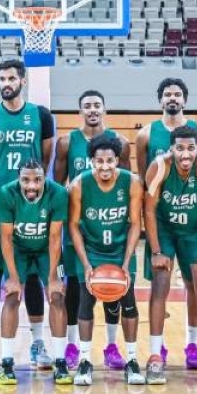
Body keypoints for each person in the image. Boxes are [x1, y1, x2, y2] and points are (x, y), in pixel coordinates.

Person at [0, 59, 55, 368]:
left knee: (31, 278)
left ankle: (37, 342)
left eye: (11, 78)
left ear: (23, 81)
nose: (6, 83)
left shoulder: (41, 115)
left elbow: (45, 158)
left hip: (30, 207)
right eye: (2, 78)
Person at [135, 77, 197, 369]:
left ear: (185, 100)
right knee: (160, 283)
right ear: (160, 100)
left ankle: (192, 344)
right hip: (162, 222)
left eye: (177, 94)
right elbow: (145, 181)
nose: (172, 98)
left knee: (195, 285)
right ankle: (158, 348)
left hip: (193, 223)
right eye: (167, 94)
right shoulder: (146, 135)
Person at [53, 89, 129, 371]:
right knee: (74, 287)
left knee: (112, 286)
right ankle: (73, 345)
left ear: (104, 109)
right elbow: (58, 186)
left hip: (110, 227)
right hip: (79, 227)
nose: (93, 109)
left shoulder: (120, 143)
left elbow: (127, 182)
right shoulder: (66, 143)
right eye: (87, 105)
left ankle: (111, 346)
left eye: (97, 105)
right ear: (80, 111)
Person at [143, 125, 197, 384]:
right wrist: (156, 251)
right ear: (171, 149)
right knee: (160, 283)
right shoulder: (159, 167)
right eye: (180, 148)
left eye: (191, 148)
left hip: (195, 230)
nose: (185, 154)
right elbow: (149, 209)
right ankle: (155, 355)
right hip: (165, 229)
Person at [68, 134, 145, 386]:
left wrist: (127, 262)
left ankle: (132, 360)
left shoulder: (132, 182)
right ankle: (85, 361)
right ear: (92, 162)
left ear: (117, 161)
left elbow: (136, 224)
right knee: (85, 302)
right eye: (99, 161)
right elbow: (73, 225)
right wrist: (86, 264)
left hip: (120, 250)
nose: (104, 166)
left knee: (129, 303)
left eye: (109, 161)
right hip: (91, 250)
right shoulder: (79, 185)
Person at [0, 161, 71, 385]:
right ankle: (7, 363)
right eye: (26, 180)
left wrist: (53, 277)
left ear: (44, 179)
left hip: (46, 250)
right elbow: (6, 238)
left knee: (57, 297)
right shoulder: (6, 193)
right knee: (12, 297)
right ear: (18, 179)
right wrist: (12, 276)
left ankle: (60, 362)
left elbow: (55, 237)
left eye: (37, 180)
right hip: (18, 249)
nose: (32, 185)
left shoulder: (58, 193)